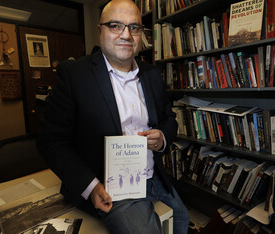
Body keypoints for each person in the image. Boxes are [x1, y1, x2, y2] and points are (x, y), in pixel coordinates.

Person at [37, 0, 190, 233]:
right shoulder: (74, 74)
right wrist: (90, 186)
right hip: (107, 185)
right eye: (115, 25)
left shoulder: (151, 75)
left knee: (181, 220)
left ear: (141, 35)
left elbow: (169, 119)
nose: (126, 35)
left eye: (134, 27)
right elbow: (51, 142)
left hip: (152, 174)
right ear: (100, 30)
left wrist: (162, 138)